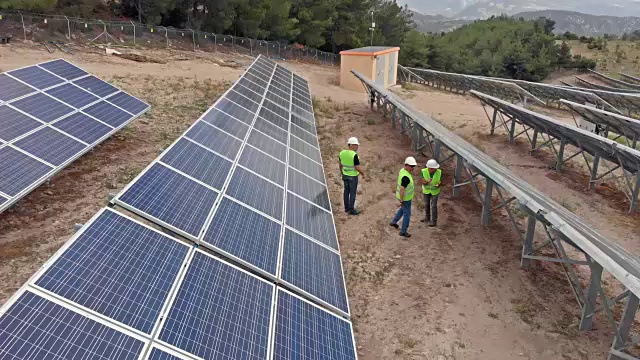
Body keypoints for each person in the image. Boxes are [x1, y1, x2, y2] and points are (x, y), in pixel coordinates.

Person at [389, 156, 416, 238]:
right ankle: (403, 231)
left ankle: (394, 222)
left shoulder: (402, 171)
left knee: (402, 210)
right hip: (405, 198)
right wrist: (401, 200)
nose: (413, 168)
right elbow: (402, 189)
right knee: (407, 214)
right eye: (411, 166)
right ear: (406, 165)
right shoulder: (406, 177)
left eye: (413, 166)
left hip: (403, 197)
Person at [339, 137, 366, 215]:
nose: (357, 147)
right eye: (356, 145)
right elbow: (357, 167)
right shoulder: (354, 155)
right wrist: (363, 174)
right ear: (352, 145)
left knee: (346, 192)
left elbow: (340, 165)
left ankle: (346, 208)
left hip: (345, 176)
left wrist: (342, 173)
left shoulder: (342, 153)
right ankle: (351, 210)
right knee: (353, 193)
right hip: (353, 177)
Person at [420, 159, 442, 227]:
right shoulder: (423, 171)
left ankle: (434, 221)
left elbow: (440, 181)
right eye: (434, 168)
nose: (435, 169)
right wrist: (427, 181)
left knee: (433, 206)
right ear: (430, 168)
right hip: (426, 191)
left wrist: (439, 184)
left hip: (435, 191)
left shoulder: (439, 172)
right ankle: (427, 218)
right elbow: (422, 181)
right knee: (426, 204)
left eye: (436, 168)